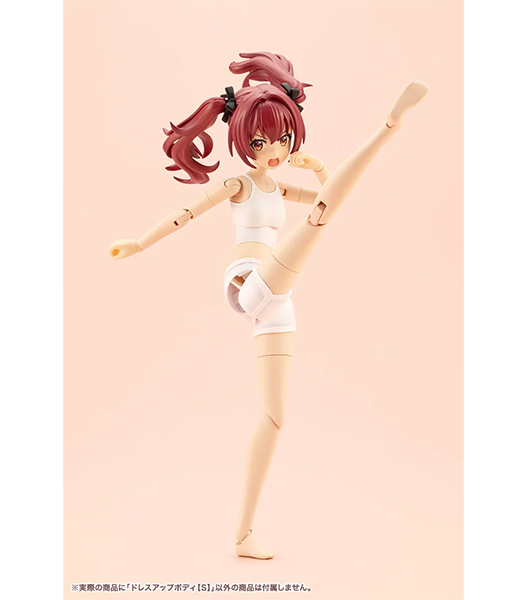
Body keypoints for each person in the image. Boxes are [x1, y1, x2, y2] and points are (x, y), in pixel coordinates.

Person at [109, 51, 428, 559]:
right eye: (260, 142)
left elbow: (330, 193)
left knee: (276, 416)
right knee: (320, 220)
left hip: (277, 297)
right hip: (249, 282)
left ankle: (243, 534)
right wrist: (139, 244)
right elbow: (187, 213)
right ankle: (389, 127)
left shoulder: (278, 185)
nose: (274, 151)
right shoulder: (239, 184)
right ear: (242, 142)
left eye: (282, 140)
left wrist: (318, 165)